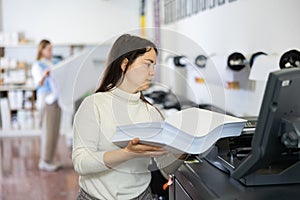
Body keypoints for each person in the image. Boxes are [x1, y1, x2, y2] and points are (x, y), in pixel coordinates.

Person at [72, 34, 187, 200]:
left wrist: (185, 149)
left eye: (154, 66)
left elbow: (164, 169)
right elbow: (81, 163)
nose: (152, 73)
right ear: (125, 64)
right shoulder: (94, 104)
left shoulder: (151, 112)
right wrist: (128, 153)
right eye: (147, 64)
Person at [32, 39, 61, 172]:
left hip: (56, 98)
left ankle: (50, 158)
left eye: (51, 49)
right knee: (47, 130)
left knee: (55, 131)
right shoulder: (37, 65)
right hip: (46, 98)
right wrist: (44, 75)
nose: (51, 52)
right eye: (48, 49)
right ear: (41, 50)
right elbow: (38, 84)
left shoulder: (53, 62)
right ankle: (44, 161)